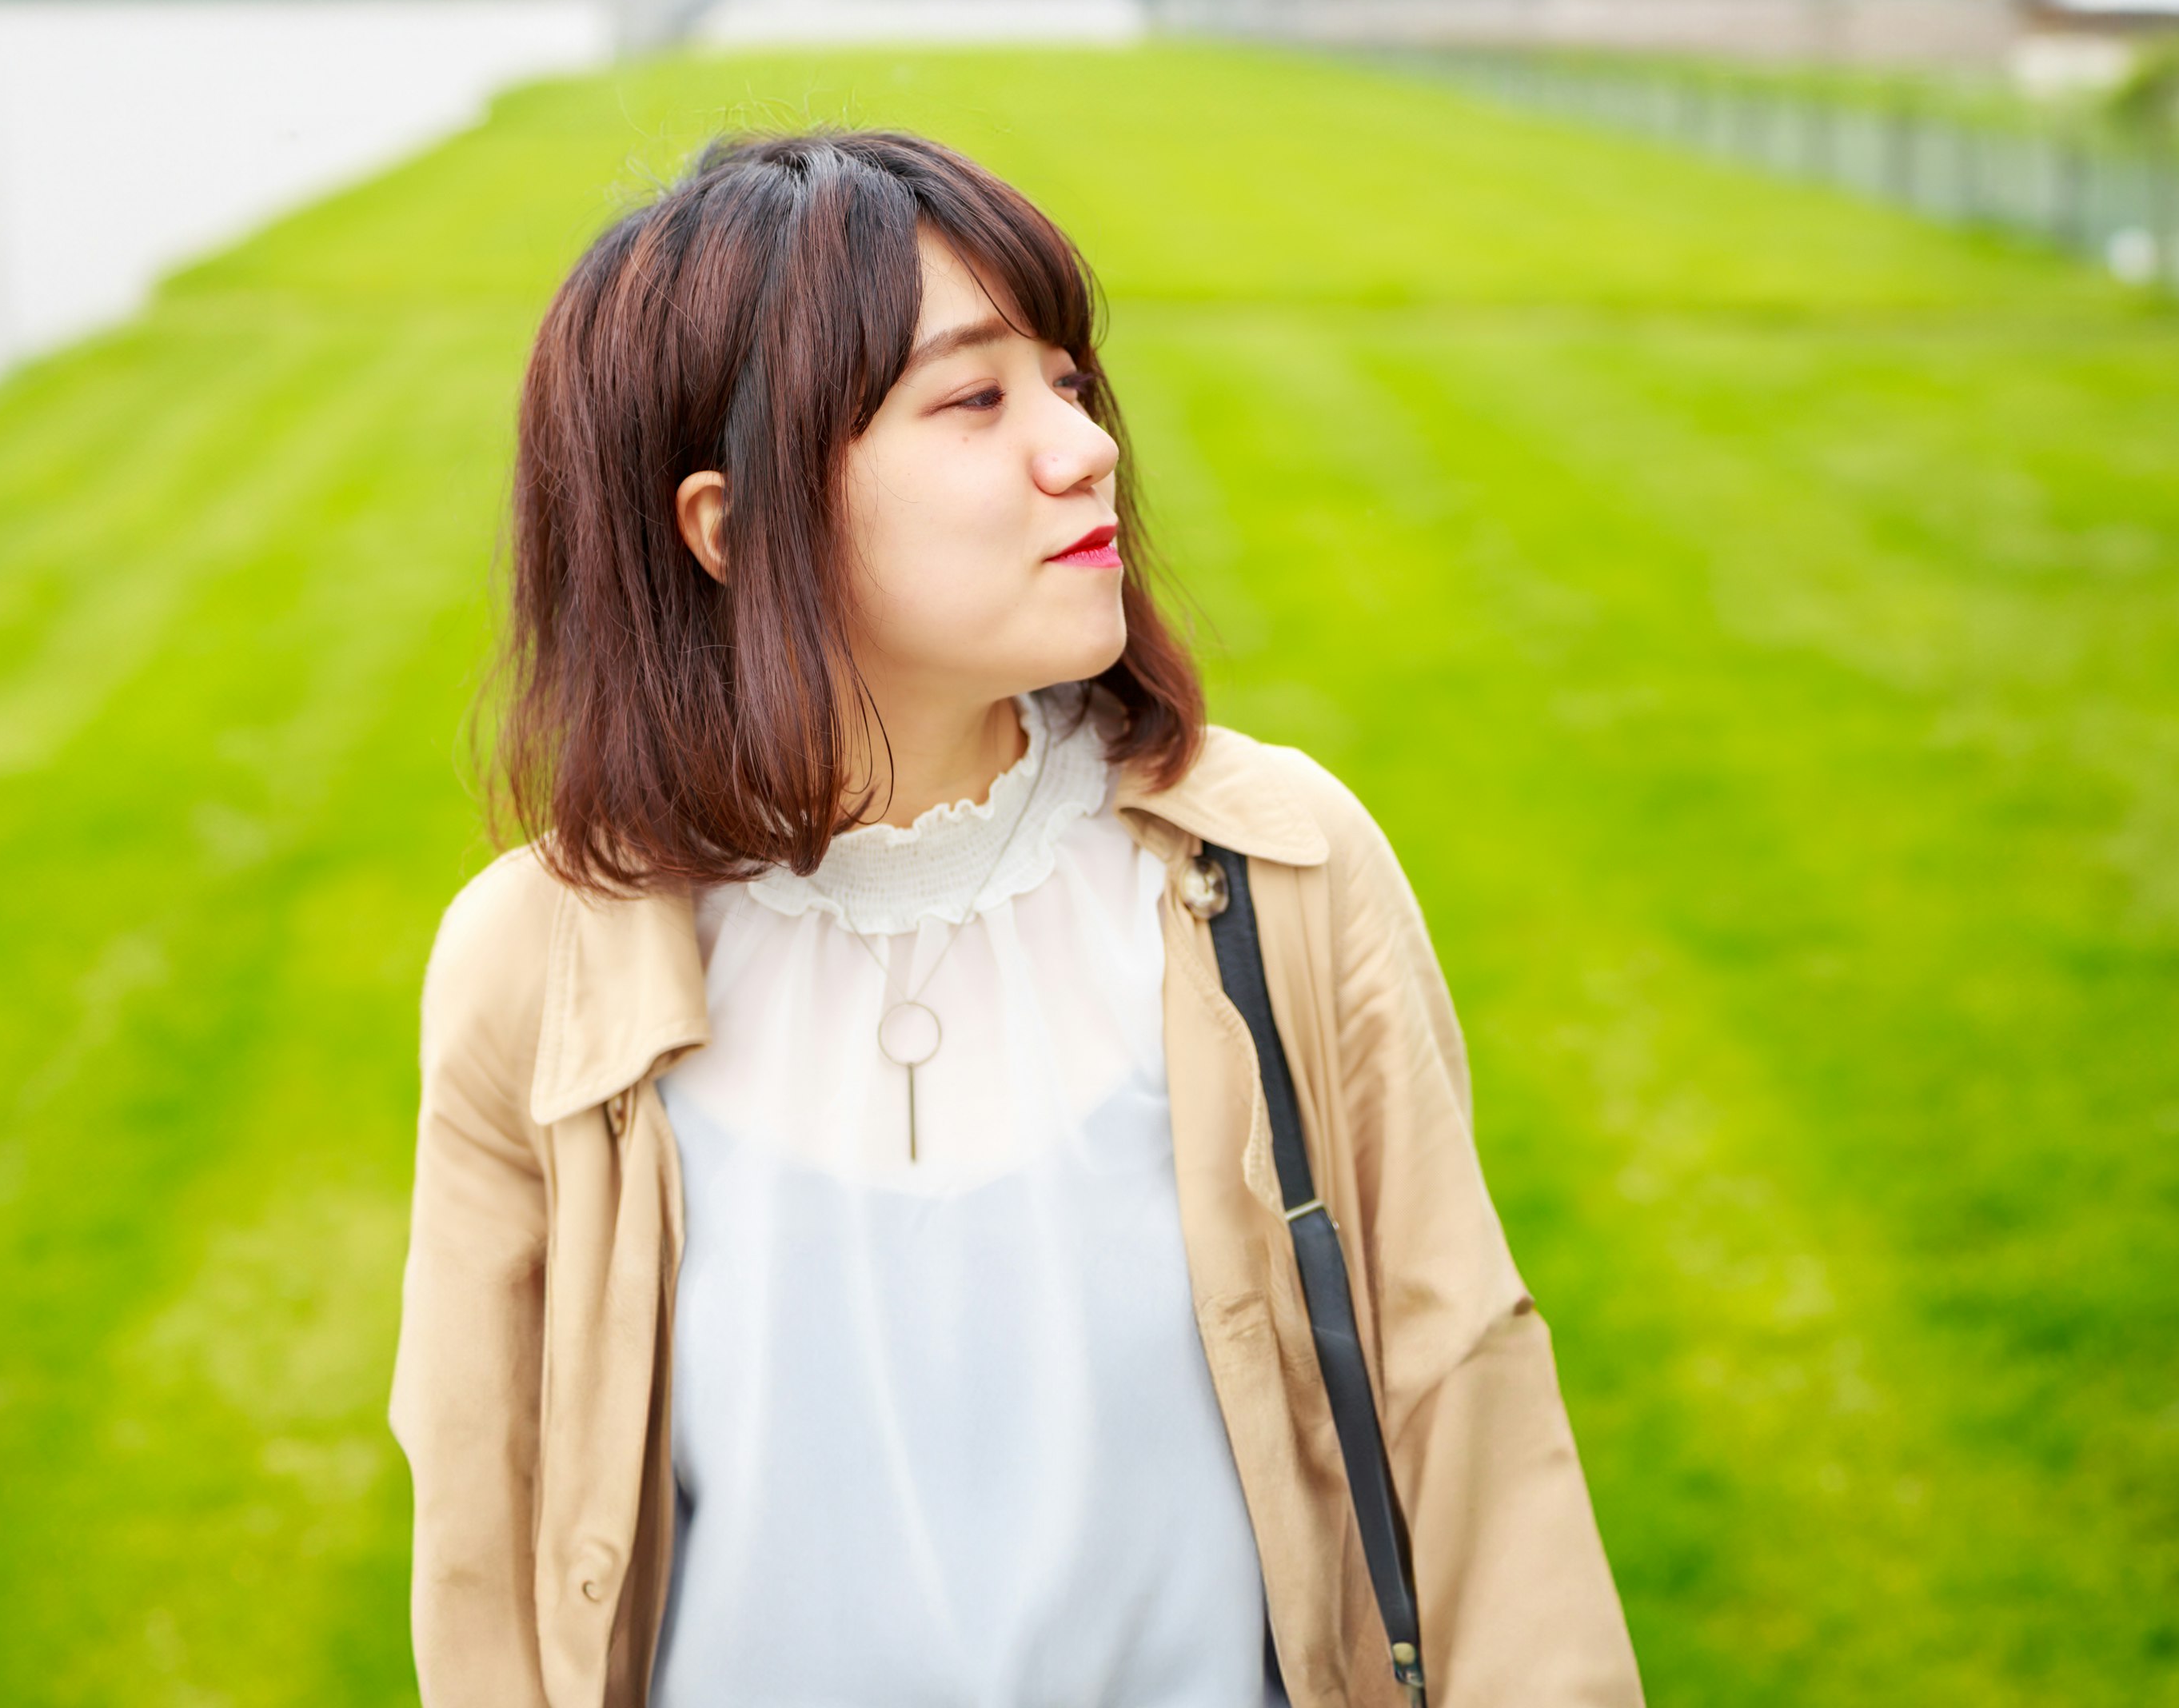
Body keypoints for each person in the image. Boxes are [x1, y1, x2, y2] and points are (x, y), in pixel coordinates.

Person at [388, 130, 1642, 1707]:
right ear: (729, 525)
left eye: (1070, 380)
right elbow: (489, 1559)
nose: (1084, 447)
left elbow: (1471, 1424)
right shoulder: (537, 960)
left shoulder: (1269, 866)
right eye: (976, 400)